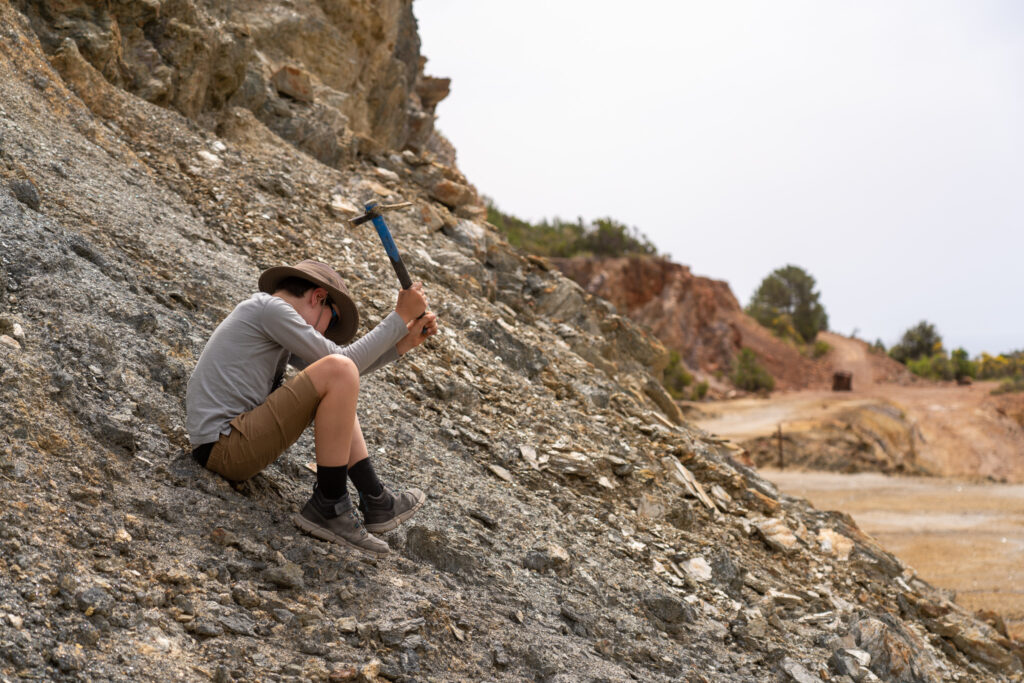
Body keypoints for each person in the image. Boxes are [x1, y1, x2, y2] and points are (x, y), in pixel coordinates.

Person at [185, 259, 438, 557]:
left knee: (338, 379)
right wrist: (399, 316)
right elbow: (343, 364)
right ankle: (330, 503)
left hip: (228, 444)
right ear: (318, 297)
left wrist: (403, 343)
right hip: (225, 447)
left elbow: (346, 375)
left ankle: (376, 499)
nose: (324, 334)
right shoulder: (269, 309)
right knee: (337, 369)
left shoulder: (269, 320)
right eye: (329, 322)